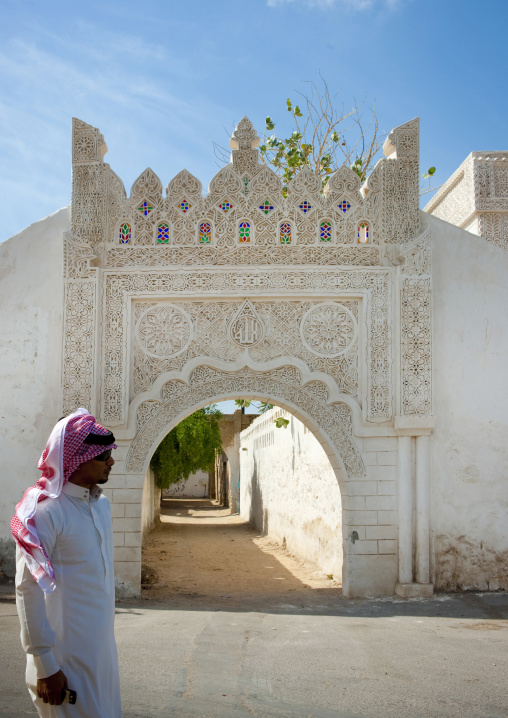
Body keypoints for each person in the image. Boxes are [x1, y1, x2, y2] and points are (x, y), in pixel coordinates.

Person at [11, 408, 121, 717]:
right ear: (77, 458)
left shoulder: (100, 506)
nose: (111, 461)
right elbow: (27, 590)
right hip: (63, 662)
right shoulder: (45, 514)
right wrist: (46, 664)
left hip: (100, 657)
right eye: (103, 456)